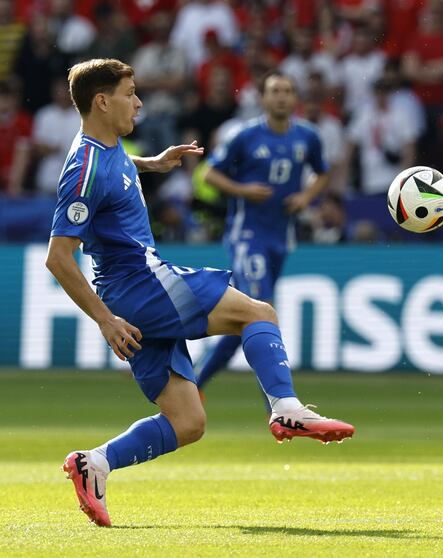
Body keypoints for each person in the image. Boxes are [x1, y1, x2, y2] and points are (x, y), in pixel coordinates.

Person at [49, 59, 353, 528]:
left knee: (188, 422)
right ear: (102, 101)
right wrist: (104, 319)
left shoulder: (105, 148)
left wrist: (150, 163)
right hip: (139, 285)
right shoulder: (84, 167)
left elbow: (110, 169)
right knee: (258, 312)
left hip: (132, 294)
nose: (139, 102)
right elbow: (58, 257)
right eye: (131, 93)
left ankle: (95, 465)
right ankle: (286, 409)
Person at [193, 72, 332, 399]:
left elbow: (324, 172)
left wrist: (306, 198)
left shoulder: (308, 137)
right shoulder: (245, 135)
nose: (281, 97)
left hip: (281, 238)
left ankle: (194, 382)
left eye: (287, 91)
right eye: (275, 91)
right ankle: (279, 402)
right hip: (248, 236)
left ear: (295, 98)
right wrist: (241, 189)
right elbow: (208, 173)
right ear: (264, 99)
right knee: (262, 309)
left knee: (244, 321)